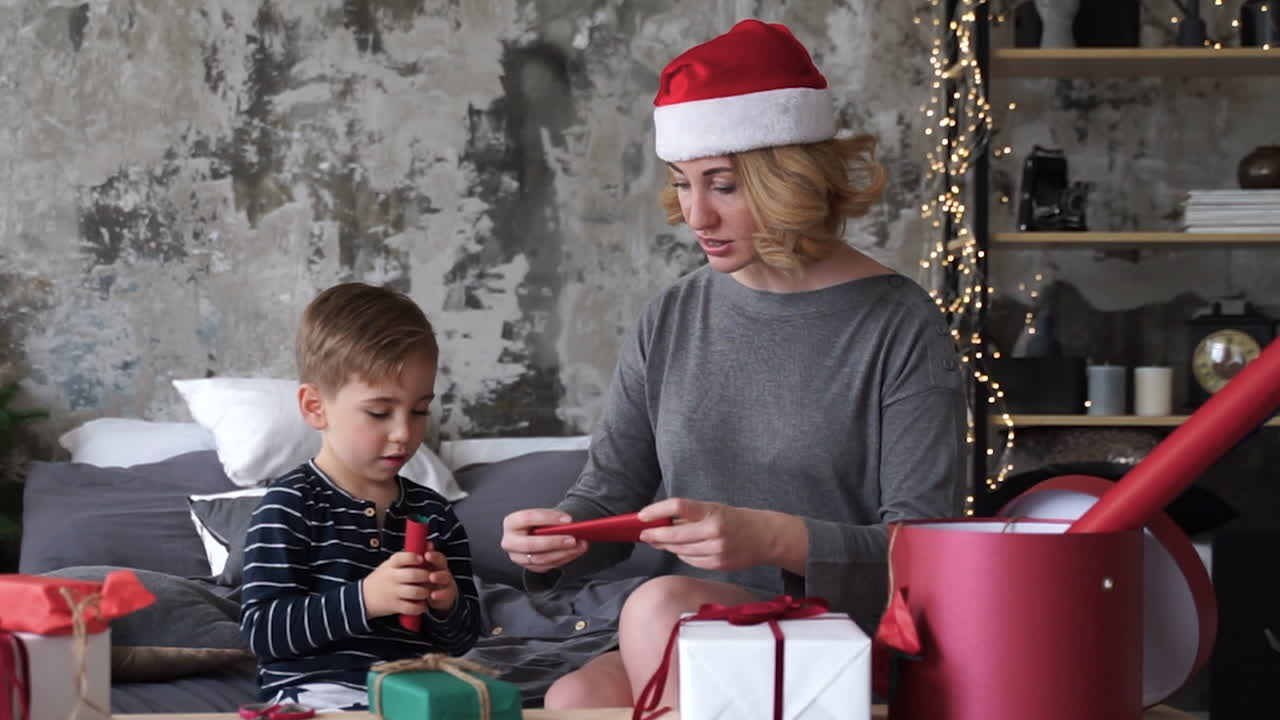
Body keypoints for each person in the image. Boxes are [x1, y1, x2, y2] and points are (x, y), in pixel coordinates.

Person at [499, 18, 966, 709]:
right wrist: (561, 536)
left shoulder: (898, 325)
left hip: (839, 634)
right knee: (573, 698)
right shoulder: (673, 316)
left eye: (722, 185)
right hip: (693, 627)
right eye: (683, 184)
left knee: (658, 608)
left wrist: (772, 537)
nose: (696, 216)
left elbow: (927, 556)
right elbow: (608, 494)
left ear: (792, 181)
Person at [240, 282, 481, 710]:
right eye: (379, 412)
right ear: (316, 407)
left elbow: (463, 639)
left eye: (420, 410)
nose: (404, 433)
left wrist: (447, 604)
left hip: (413, 696)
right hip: (315, 697)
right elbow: (264, 631)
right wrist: (365, 599)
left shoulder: (435, 514)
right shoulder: (290, 504)